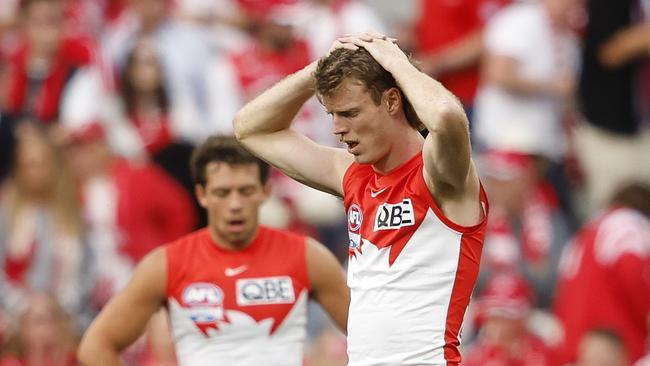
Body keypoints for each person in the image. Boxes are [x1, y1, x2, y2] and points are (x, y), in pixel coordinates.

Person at [234, 32, 489, 365]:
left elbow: (446, 116)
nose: (338, 129)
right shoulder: (351, 174)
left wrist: (395, 61)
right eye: (332, 115)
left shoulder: (440, 174)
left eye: (350, 113)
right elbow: (250, 128)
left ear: (391, 101)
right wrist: (318, 70)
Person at [77, 136, 349, 365]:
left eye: (245, 191)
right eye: (222, 192)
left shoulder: (306, 256)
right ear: (201, 195)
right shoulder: (167, 263)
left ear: (265, 192)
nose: (235, 204)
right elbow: (96, 346)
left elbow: (370, 334)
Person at [553, 183, 650, 364]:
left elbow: (561, 292)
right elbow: (632, 270)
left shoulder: (586, 231)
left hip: (577, 344)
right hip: (616, 345)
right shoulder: (626, 222)